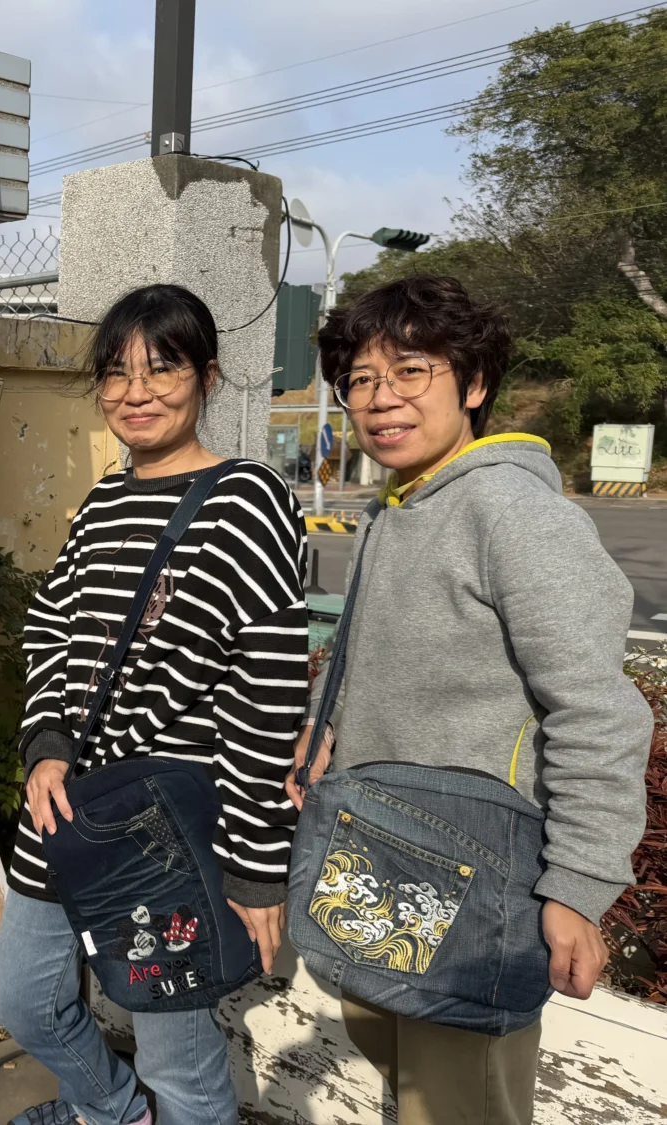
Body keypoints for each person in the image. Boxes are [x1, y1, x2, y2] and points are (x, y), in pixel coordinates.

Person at [286, 275, 653, 1125]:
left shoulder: (513, 512)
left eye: (411, 370)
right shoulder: (398, 507)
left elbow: (597, 712)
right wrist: (324, 727)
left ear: (475, 382)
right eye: (361, 379)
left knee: (458, 1103)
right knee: (398, 1068)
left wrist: (578, 886)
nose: (382, 398)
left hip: (477, 873)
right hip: (384, 852)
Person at [0, 285, 309, 1125]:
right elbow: (52, 628)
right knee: (23, 996)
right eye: (117, 372)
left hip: (165, 827)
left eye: (162, 368)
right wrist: (46, 743)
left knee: (178, 1059)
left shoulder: (248, 501)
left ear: (208, 376)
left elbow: (267, 693)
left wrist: (255, 862)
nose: (136, 392)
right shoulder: (104, 499)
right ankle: (114, 1110)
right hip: (68, 804)